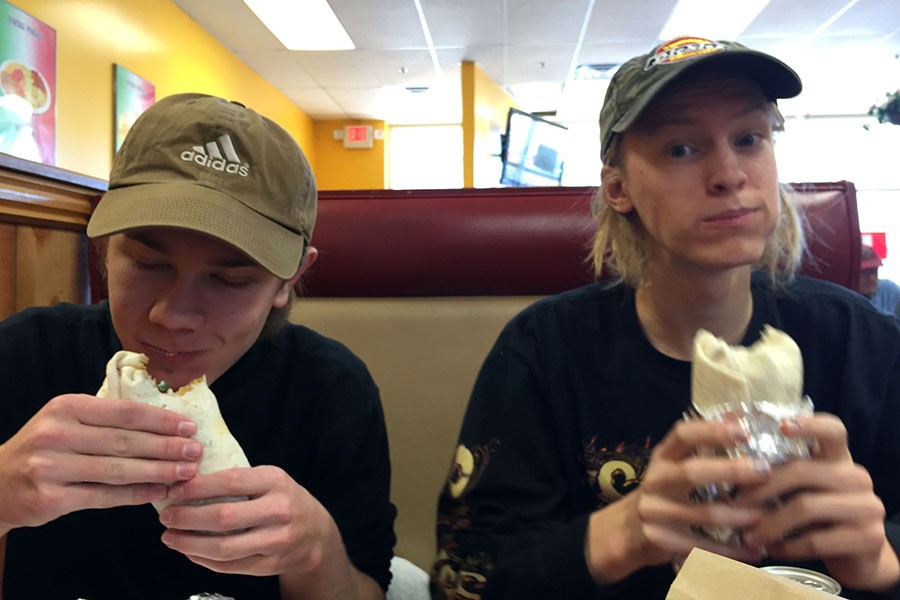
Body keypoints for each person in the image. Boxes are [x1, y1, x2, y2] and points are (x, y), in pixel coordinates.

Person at [430, 37, 900, 599]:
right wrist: (622, 533)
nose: (729, 174)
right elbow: (465, 581)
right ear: (618, 188)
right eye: (681, 148)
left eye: (749, 139)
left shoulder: (864, 342)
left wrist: (882, 560)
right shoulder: (543, 351)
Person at [0, 93, 396, 599]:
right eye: (148, 264)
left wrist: (314, 550)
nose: (173, 315)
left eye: (229, 281)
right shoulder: (28, 355)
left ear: (286, 282)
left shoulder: (331, 391)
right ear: (104, 251)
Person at [859, 245, 900, 317]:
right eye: (865, 273)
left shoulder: (888, 289)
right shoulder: (841, 298)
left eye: (874, 271)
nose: (872, 278)